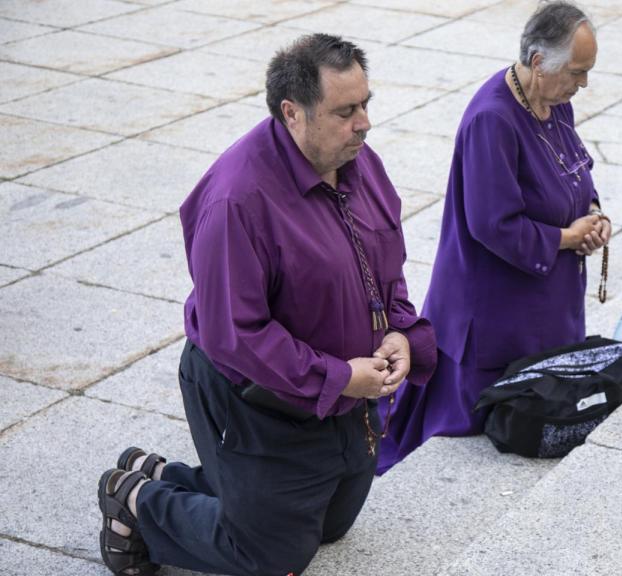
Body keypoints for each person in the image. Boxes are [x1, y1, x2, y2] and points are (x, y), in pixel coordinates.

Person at [94, 34, 436, 576]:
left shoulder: (360, 162)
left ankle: (168, 474)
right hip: (254, 395)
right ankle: (135, 499)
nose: (364, 123)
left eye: (366, 104)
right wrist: (337, 375)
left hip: (342, 394)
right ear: (292, 113)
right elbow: (238, 335)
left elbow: (386, 265)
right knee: (273, 555)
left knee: (330, 524)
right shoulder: (238, 199)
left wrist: (399, 331)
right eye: (345, 111)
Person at [377, 1, 610, 474]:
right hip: (493, 312)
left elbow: (574, 169)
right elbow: (492, 225)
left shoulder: (553, 100)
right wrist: (566, 237)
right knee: (483, 427)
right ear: (539, 61)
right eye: (577, 72)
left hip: (546, 303)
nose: (582, 84)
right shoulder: (493, 120)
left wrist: (594, 213)